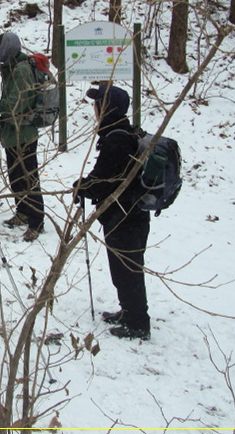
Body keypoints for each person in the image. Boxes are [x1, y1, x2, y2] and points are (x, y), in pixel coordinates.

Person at [73, 85, 151, 341]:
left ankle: (138, 322)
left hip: (125, 216)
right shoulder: (123, 131)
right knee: (125, 267)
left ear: (107, 109)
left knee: (126, 268)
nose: (94, 109)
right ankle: (129, 311)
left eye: (97, 104)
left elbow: (106, 179)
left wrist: (82, 186)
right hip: (129, 214)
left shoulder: (117, 138)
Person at [0, 32, 45, 242]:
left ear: (7, 47)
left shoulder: (21, 70)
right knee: (16, 176)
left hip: (23, 133)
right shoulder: (12, 68)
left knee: (28, 178)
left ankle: (37, 221)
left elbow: (18, 104)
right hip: (13, 132)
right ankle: (23, 212)